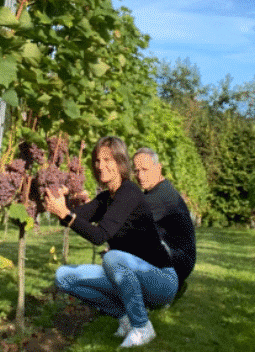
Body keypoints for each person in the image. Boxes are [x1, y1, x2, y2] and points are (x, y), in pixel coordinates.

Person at [44, 136, 177, 348]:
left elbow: (99, 236)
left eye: (108, 160)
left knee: (112, 258)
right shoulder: (106, 198)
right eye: (97, 160)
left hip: (160, 280)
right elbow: (72, 217)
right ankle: (124, 317)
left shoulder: (129, 192)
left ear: (120, 162)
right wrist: (64, 202)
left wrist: (66, 214)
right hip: (127, 277)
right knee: (63, 277)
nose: (100, 165)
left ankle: (142, 327)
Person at [132, 148, 197, 295]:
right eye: (136, 171)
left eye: (145, 170)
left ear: (158, 168)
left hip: (178, 260)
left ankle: (169, 288)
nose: (140, 176)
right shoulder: (155, 191)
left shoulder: (162, 195)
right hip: (179, 259)